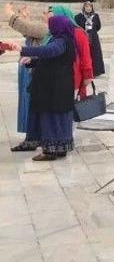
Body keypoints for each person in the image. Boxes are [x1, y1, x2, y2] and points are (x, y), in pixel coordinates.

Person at [18, 15, 78, 161]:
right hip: (60, 88)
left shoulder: (61, 41)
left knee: (51, 118)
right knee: (61, 118)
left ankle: (50, 151)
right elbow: (51, 59)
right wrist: (32, 61)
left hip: (53, 89)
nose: (49, 28)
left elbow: (49, 51)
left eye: (51, 25)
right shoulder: (66, 39)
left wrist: (23, 50)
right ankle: (60, 149)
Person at [6, 3, 47, 150]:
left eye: (46, 12)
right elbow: (29, 31)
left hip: (33, 70)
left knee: (30, 103)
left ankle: (32, 137)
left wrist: (10, 14)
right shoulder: (42, 28)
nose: (44, 15)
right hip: (28, 69)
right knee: (27, 102)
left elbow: (26, 28)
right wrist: (26, 17)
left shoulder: (46, 29)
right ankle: (32, 135)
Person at [50, 5, 94, 99]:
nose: (50, 18)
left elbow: (85, 56)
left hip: (72, 78)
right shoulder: (53, 33)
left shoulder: (78, 33)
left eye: (52, 15)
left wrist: (87, 76)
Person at [74, 1, 105, 77]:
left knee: (95, 54)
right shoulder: (78, 16)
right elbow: (76, 26)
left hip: (93, 38)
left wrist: (92, 32)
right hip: (83, 37)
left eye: (90, 7)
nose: (88, 8)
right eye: (86, 7)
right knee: (85, 53)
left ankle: (95, 72)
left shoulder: (95, 16)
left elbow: (98, 26)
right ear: (84, 7)